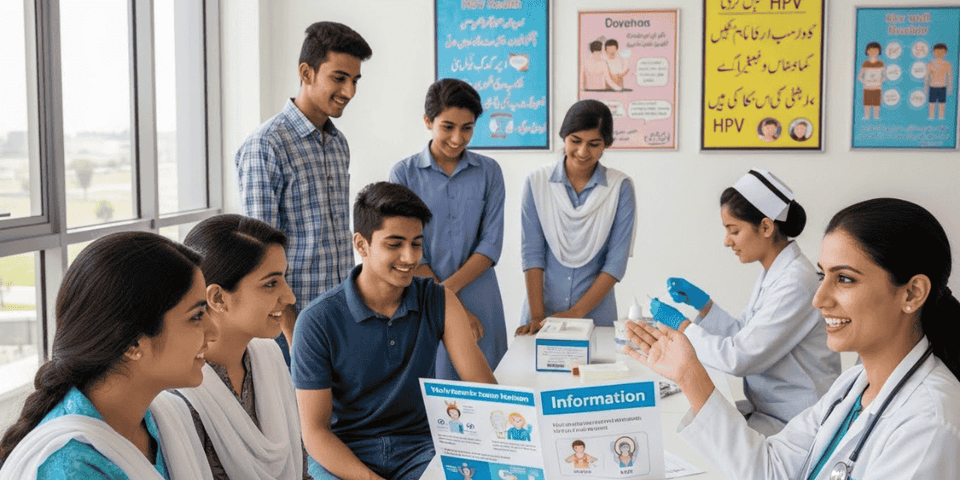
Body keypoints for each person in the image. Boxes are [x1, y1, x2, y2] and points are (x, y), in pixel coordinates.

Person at [624, 197, 960, 479]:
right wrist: (688, 374)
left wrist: (688, 331)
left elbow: (742, 354)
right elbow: (771, 469)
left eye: (844, 279)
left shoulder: (928, 422)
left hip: (776, 413)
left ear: (912, 293)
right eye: (823, 275)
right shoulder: (854, 385)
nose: (818, 299)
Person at [292, 182, 497, 480]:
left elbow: (484, 389)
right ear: (361, 244)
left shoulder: (438, 299)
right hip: (345, 454)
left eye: (416, 243)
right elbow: (314, 431)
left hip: (420, 449)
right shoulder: (316, 321)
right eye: (394, 244)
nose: (410, 257)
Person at [0, 232, 218, 479]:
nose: (214, 331)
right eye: (196, 316)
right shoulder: (69, 469)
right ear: (131, 342)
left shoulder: (162, 420)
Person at [648, 169, 839, 435]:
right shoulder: (774, 271)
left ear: (765, 227)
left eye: (734, 230)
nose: (727, 241)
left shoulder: (796, 282)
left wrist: (682, 327)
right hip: (772, 408)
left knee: (703, 435)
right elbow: (744, 335)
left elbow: (740, 358)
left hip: (799, 418)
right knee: (694, 425)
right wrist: (705, 305)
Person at [235, 21, 372, 363]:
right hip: (291, 329)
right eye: (339, 78)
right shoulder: (266, 145)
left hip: (339, 315)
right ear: (306, 73)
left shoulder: (338, 144)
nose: (350, 91)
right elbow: (259, 256)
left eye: (354, 80)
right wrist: (293, 334)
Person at [390, 78, 507, 380]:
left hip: (481, 295)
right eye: (448, 127)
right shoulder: (403, 174)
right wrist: (445, 302)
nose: (458, 138)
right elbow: (405, 249)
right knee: (438, 398)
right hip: (424, 295)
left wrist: (446, 294)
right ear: (428, 121)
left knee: (490, 395)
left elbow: (490, 244)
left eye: (467, 128)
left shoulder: (489, 172)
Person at [174, 214, 307, 479]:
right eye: (271, 284)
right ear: (218, 297)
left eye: (283, 278)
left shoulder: (269, 357)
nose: (289, 296)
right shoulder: (180, 395)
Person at [517, 99, 636, 334]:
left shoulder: (619, 188)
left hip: (595, 315)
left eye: (594, 143)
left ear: (606, 144)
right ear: (564, 136)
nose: (582, 152)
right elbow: (532, 253)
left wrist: (574, 314)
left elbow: (616, 261)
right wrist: (539, 318)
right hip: (540, 311)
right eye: (575, 141)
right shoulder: (537, 182)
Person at [925, 43, 953, 120]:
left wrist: (950, 88)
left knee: (942, 103)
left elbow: (950, 76)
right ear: (933, 52)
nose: (939, 53)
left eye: (942, 51)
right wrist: (925, 88)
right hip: (933, 86)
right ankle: (931, 117)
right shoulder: (930, 63)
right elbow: (927, 76)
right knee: (931, 103)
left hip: (942, 86)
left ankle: (941, 117)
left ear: (945, 52)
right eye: (937, 51)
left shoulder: (947, 64)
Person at [858, 41, 885, 120]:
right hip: (867, 87)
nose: (873, 52)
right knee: (867, 103)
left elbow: (885, 75)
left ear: (879, 51)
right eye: (871, 50)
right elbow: (860, 75)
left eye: (875, 50)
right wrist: (864, 82)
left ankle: (876, 116)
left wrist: (880, 81)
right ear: (867, 51)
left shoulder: (880, 63)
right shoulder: (865, 63)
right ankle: (867, 116)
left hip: (877, 87)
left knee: (876, 103)